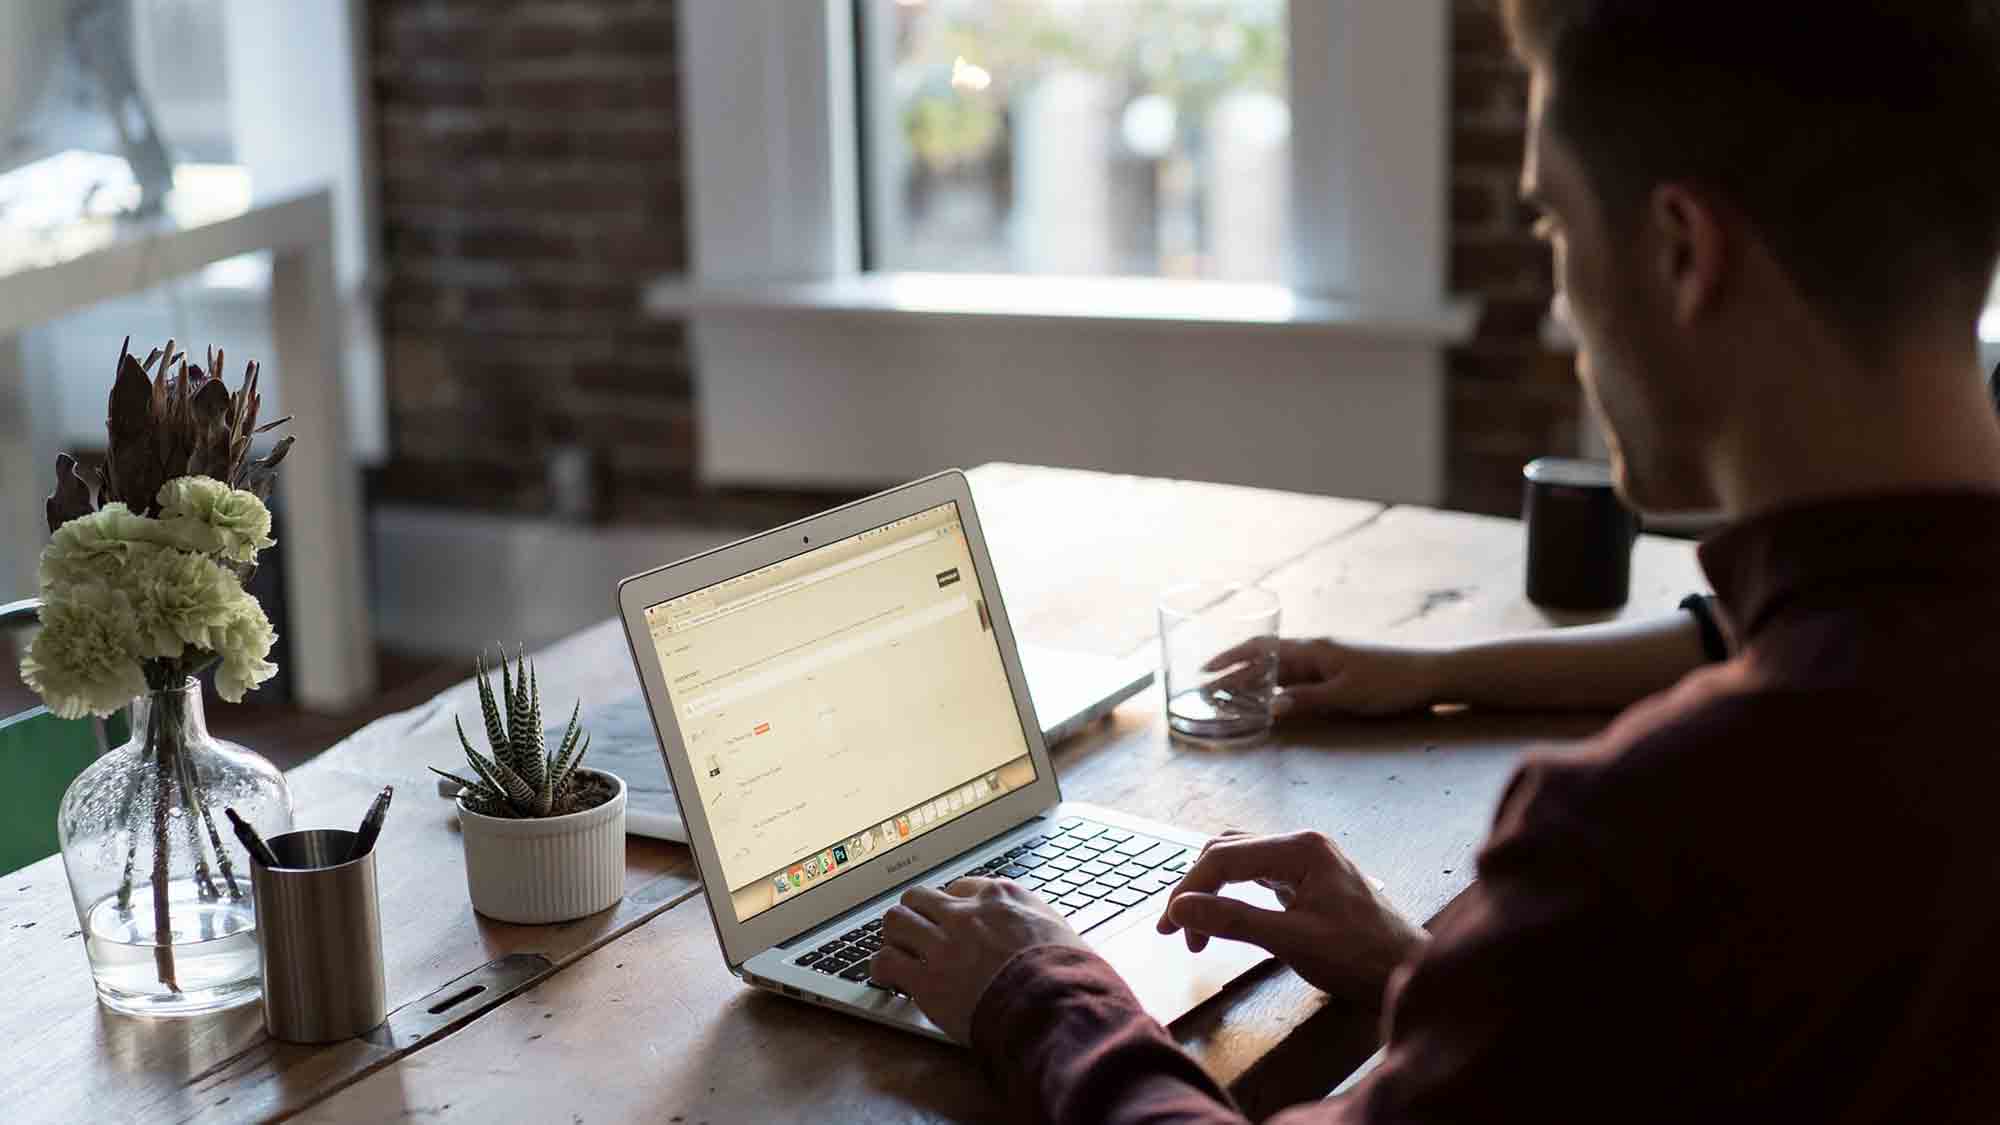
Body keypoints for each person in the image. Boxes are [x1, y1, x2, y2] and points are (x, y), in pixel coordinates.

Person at [870, 1, 2000, 1120]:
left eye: (1553, 229)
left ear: (1678, 252)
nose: (1561, 304)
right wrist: (1441, 981)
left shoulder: (1656, 828)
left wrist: (1035, 987)